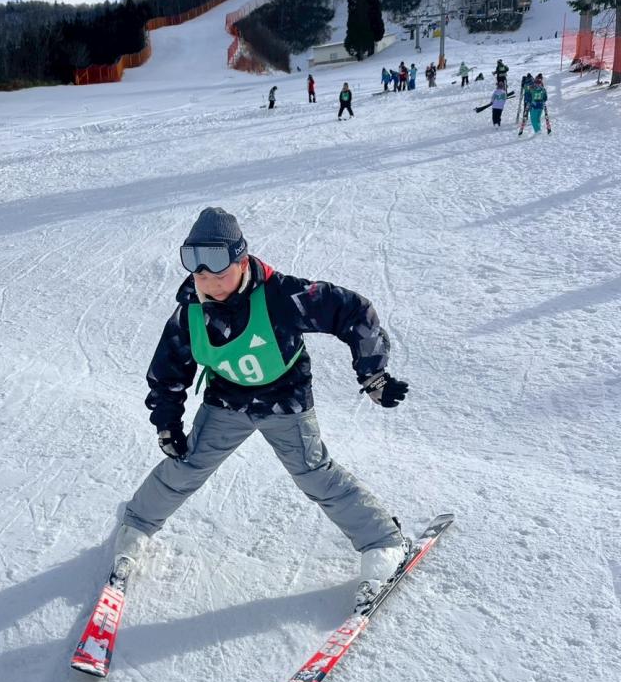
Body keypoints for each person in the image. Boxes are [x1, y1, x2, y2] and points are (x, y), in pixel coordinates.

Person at [111, 206, 410, 592]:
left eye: (220, 272)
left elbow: (352, 312)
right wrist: (167, 423)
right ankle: (136, 527)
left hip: (286, 402)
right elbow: (168, 371)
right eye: (200, 274)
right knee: (186, 466)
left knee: (314, 474)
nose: (210, 283)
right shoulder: (189, 313)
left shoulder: (281, 296)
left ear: (241, 261)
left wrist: (373, 374)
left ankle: (383, 541)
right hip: (226, 403)